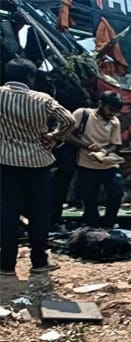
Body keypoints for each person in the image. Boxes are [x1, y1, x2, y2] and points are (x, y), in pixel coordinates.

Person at [0, 58, 76, 277]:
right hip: (38, 164)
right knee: (39, 213)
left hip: (6, 163)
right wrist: (54, 136)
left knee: (7, 212)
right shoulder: (42, 99)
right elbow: (69, 120)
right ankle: (39, 261)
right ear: (30, 78)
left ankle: (6, 264)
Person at [67, 91, 125, 229]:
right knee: (90, 200)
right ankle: (93, 227)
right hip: (86, 164)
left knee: (116, 194)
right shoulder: (83, 114)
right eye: (110, 109)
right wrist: (86, 146)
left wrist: (104, 152)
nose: (112, 114)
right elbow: (67, 135)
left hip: (108, 164)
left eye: (115, 112)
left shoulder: (114, 121)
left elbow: (115, 144)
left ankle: (108, 225)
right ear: (100, 104)